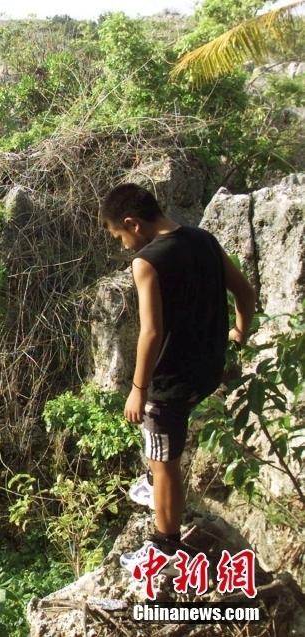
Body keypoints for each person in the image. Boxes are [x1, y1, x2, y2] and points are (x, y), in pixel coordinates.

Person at [99, 183, 257, 576]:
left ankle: (167, 546)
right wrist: (240, 330)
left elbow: (151, 332)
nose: (123, 247)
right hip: (208, 369)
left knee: (163, 459)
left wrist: (138, 391)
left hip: (171, 381)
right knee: (161, 445)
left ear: (133, 223)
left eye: (120, 236)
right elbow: (244, 291)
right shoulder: (203, 239)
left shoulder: (147, 262)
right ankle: (156, 486)